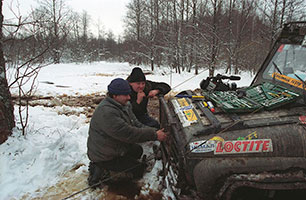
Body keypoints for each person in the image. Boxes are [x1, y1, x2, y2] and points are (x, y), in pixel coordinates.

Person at [87, 78, 167, 188]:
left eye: (128, 94)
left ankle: (114, 166)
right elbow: (129, 134)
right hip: (105, 155)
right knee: (138, 171)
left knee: (137, 151)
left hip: (114, 146)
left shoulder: (124, 105)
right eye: (125, 95)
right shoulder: (107, 112)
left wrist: (154, 131)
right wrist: (154, 135)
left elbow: (136, 124)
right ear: (115, 96)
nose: (129, 97)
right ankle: (102, 171)